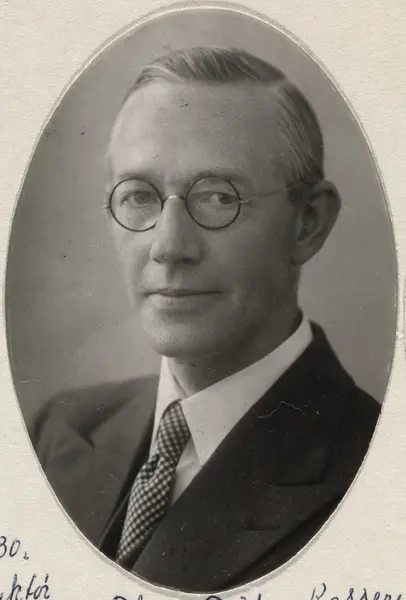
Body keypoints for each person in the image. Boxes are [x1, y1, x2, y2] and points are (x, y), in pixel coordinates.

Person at [31, 47, 381, 592]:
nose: (169, 247)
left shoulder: (378, 475)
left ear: (307, 223)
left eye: (220, 197)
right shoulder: (59, 431)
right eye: (139, 196)